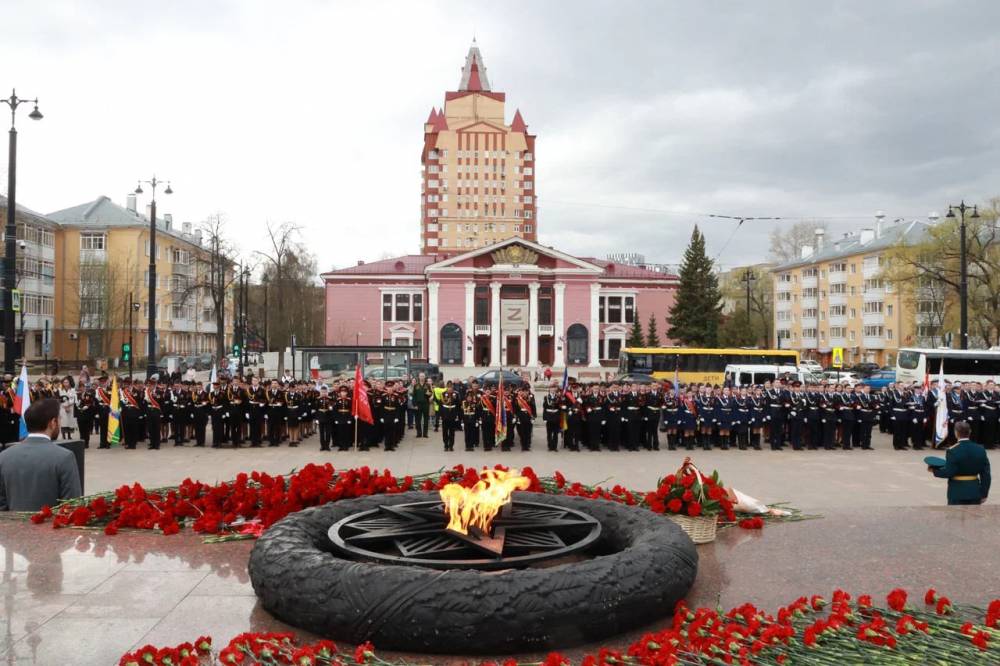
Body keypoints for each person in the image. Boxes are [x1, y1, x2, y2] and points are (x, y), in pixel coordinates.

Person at [0, 398, 83, 511]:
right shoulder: (64, 457)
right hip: (50, 522)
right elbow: (72, 505)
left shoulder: (4, 456)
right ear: (53, 423)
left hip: (12, 522)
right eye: (59, 418)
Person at [928, 420, 991, 506]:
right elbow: (986, 474)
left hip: (957, 492)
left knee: (955, 515)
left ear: (956, 433)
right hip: (974, 492)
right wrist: (984, 493)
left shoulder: (952, 450)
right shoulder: (980, 449)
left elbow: (949, 472)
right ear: (970, 432)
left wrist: (934, 471)